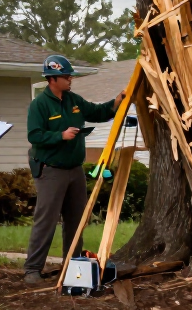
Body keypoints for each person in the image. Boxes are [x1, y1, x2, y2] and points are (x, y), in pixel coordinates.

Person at [22, 54, 125, 285]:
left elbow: (98, 112)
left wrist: (118, 100)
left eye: (70, 75)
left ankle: (72, 265)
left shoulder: (73, 100)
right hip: (51, 170)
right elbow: (34, 135)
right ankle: (32, 270)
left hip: (74, 170)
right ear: (52, 78)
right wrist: (61, 135)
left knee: (76, 220)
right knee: (46, 220)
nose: (70, 79)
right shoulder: (39, 105)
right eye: (66, 76)